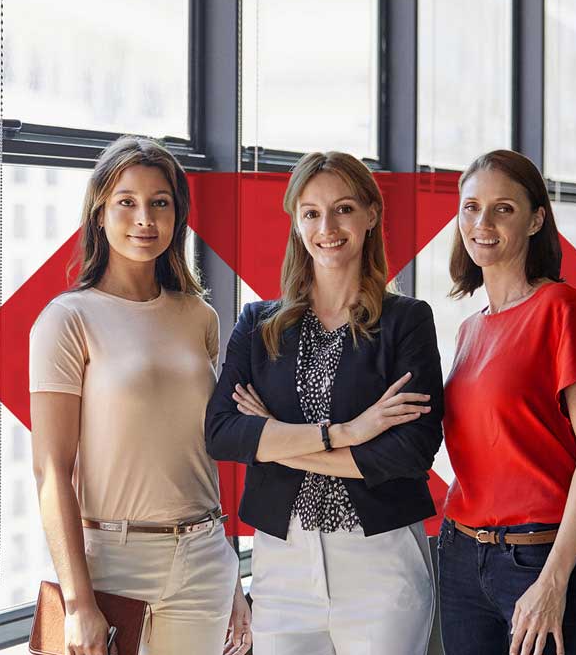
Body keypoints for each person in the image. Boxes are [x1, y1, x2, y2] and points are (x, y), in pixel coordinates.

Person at [204, 151, 444, 655]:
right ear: (295, 221)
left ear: (370, 215)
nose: (327, 226)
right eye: (311, 212)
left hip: (380, 563)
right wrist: (348, 433)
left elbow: (411, 451)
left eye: (343, 209)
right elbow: (222, 432)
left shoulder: (407, 321)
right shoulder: (259, 324)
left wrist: (270, 438)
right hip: (281, 564)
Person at [28, 136, 251, 655]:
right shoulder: (67, 319)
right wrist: (79, 602)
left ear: (178, 215)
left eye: (160, 202)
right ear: (99, 212)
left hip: (204, 558)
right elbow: (50, 470)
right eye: (126, 201)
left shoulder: (200, 317)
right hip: (112, 561)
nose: (144, 218)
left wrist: (230, 570)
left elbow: (203, 453)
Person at [436, 149, 576, 655]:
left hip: (538, 559)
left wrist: (554, 580)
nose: (482, 223)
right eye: (471, 207)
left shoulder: (561, 309)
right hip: (460, 556)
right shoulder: (471, 328)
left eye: (503, 209)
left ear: (536, 218)